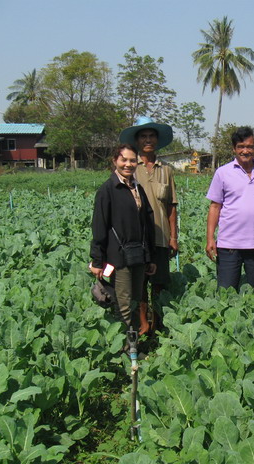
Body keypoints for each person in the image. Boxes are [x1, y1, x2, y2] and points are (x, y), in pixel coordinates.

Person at [119, 116, 178, 335]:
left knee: (160, 282)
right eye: (143, 136)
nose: (147, 140)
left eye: (151, 136)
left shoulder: (166, 169)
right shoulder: (130, 167)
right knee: (140, 282)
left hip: (161, 236)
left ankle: (158, 322)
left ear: (157, 140)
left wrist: (174, 237)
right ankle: (143, 323)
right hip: (138, 238)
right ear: (136, 140)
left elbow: (171, 206)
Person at [205, 126, 254, 296]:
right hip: (228, 245)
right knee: (226, 292)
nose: (245, 151)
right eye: (240, 146)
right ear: (234, 148)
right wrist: (210, 238)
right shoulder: (223, 173)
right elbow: (215, 207)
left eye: (249, 146)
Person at [90, 144, 156, 331]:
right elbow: (99, 226)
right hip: (118, 257)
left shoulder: (137, 188)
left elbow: (147, 224)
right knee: (123, 305)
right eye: (123, 160)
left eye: (132, 160)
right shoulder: (108, 189)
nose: (128, 164)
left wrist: (149, 256)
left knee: (134, 301)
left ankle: (133, 342)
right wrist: (97, 260)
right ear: (115, 161)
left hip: (138, 255)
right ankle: (125, 345)